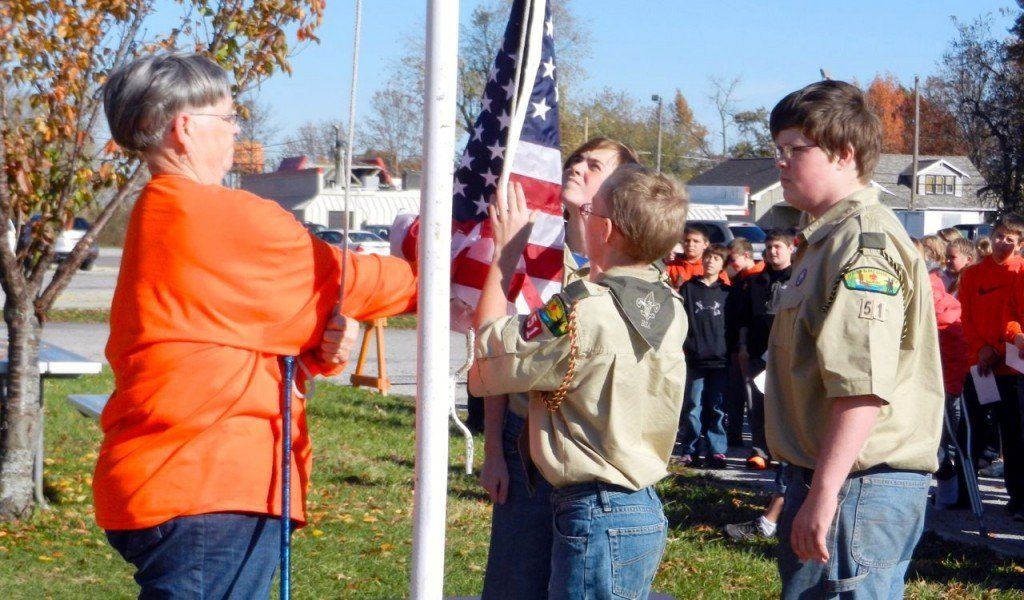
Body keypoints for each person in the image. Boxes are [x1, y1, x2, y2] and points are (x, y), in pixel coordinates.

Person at [93, 53, 418, 597]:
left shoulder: (160, 209)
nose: (237, 131)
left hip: (179, 481)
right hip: (205, 485)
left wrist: (325, 348)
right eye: (229, 118)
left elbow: (236, 333)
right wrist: (449, 268)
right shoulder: (218, 213)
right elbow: (353, 281)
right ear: (186, 127)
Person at [469, 165, 689, 600]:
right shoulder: (670, 304)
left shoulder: (578, 314)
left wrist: (505, 254)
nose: (583, 216)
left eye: (589, 210)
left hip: (595, 511)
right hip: (638, 505)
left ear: (604, 228)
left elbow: (491, 351)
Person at [764, 80, 943, 598]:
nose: (780, 163)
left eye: (794, 150)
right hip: (833, 477)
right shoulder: (823, 241)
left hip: (858, 484)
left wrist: (825, 493)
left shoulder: (863, 243)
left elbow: (861, 385)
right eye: (777, 150)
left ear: (843, 155)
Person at [478, 137, 639, 600]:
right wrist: (493, 450)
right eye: (576, 161)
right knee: (513, 584)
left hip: (589, 453)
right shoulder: (535, 254)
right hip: (524, 443)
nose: (577, 169)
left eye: (595, 165)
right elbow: (497, 360)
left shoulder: (625, 267)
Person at [962, 213, 1024, 520]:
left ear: (1020, 243)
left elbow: (1016, 320)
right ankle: (962, 492)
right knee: (974, 430)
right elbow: (966, 317)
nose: (1003, 242)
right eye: (999, 235)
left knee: (1014, 436)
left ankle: (1017, 499)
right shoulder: (973, 275)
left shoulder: (1021, 273)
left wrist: (998, 350)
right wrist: (980, 350)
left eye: (1010, 238)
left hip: (1012, 369)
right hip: (981, 367)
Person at [676, 243, 732, 469]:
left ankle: (717, 450)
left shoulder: (728, 292)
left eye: (716, 259)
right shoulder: (689, 288)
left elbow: (735, 325)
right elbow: (679, 318)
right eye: (708, 257)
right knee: (692, 405)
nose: (710, 261)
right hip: (695, 358)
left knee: (717, 407)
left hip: (720, 359)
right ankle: (689, 450)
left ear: (723, 265)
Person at [723, 237, 765, 446]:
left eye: (733, 259)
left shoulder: (759, 277)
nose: (730, 264)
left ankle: (758, 441)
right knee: (735, 393)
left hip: (751, 346)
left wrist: (744, 345)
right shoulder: (739, 279)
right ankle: (734, 435)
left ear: (746, 255)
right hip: (734, 345)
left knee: (753, 394)